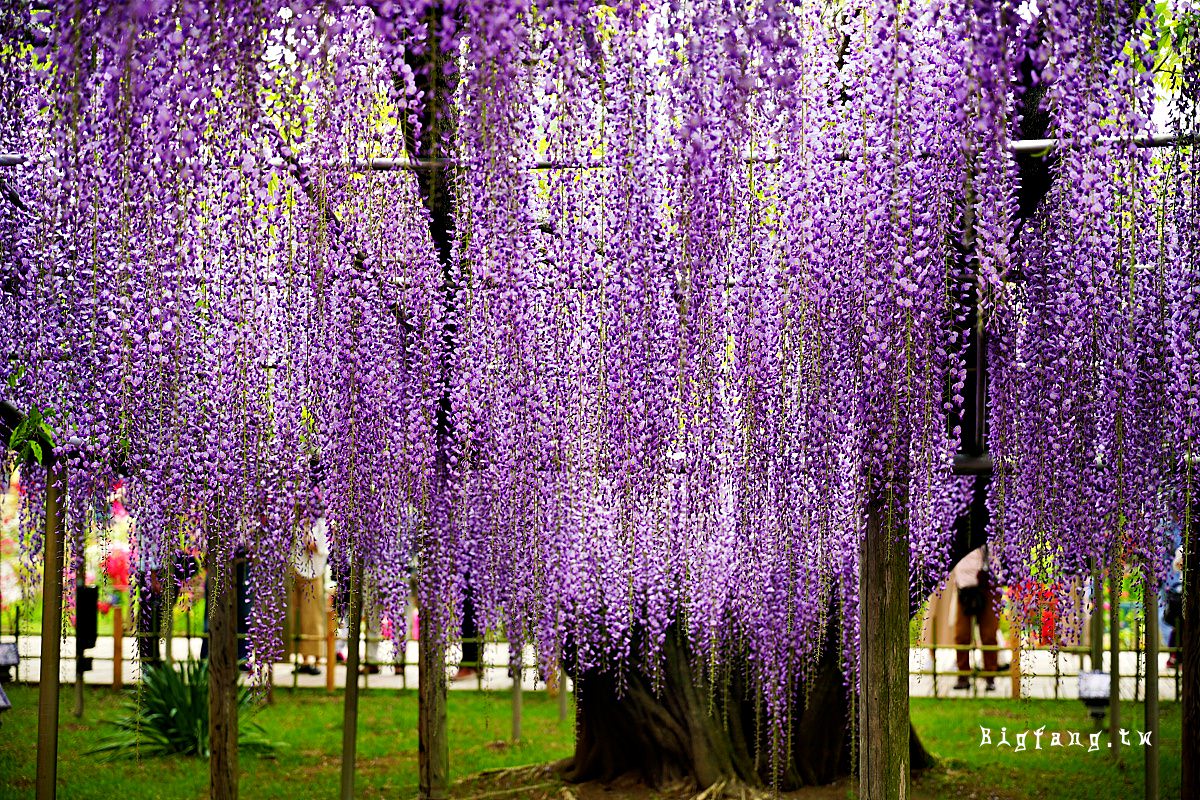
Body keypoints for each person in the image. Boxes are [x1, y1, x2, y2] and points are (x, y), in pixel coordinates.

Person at [953, 544, 1002, 691]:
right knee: (961, 634)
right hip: (964, 588)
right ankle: (963, 676)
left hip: (988, 586)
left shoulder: (989, 531)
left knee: (988, 635)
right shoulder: (958, 533)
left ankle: (990, 677)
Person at [290, 513, 329, 675]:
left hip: (313, 572)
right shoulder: (294, 517)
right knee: (296, 614)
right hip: (295, 568)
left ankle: (316, 658)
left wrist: (310, 541)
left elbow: (322, 546)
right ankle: (302, 658)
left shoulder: (321, 521)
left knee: (313, 616)